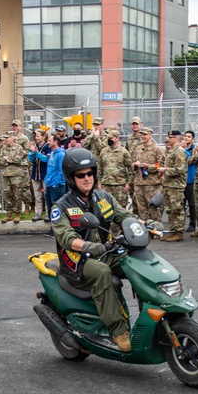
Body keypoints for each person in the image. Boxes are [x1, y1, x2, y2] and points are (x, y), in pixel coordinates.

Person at [49, 147, 135, 351]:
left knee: (135, 261)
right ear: (71, 178)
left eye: (90, 173)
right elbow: (66, 238)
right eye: (81, 175)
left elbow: (124, 216)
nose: (87, 178)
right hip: (78, 261)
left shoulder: (104, 198)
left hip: (104, 252)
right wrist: (89, 246)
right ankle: (118, 332)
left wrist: (143, 224)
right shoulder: (60, 207)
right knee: (102, 272)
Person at [130, 127, 164, 222]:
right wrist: (135, 165)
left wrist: (148, 166)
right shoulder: (138, 149)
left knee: (154, 209)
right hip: (139, 183)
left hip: (152, 184)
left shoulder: (157, 149)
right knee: (142, 209)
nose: (143, 136)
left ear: (150, 135)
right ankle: (146, 230)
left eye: (145, 134)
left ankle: (156, 228)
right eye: (142, 134)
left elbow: (160, 165)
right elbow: (131, 164)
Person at [158, 130, 187, 242]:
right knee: (170, 209)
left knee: (177, 209)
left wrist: (165, 170)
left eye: (171, 137)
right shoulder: (172, 151)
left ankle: (178, 232)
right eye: (168, 137)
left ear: (177, 138)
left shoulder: (179, 151)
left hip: (176, 185)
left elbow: (180, 169)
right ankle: (173, 230)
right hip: (168, 184)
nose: (169, 139)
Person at [98, 128, 132, 210]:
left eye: (111, 138)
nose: (109, 140)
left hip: (120, 186)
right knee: (105, 209)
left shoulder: (124, 152)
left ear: (117, 138)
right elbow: (100, 168)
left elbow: (130, 168)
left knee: (120, 209)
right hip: (106, 185)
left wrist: (129, 183)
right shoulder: (103, 151)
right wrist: (99, 183)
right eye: (108, 138)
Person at [0, 133, 26, 223]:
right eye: (6, 138)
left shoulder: (19, 148)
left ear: (13, 138)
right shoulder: (4, 148)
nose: (6, 140)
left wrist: (7, 159)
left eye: (8, 138)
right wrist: (8, 160)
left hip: (16, 174)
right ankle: (8, 214)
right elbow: (0, 159)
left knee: (17, 194)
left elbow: (18, 160)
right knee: (6, 194)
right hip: (6, 174)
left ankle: (17, 214)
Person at [28, 129, 50, 221]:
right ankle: (38, 213)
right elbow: (30, 159)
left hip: (45, 174)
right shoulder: (35, 146)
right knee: (37, 195)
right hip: (35, 174)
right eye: (35, 136)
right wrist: (32, 152)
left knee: (46, 194)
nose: (36, 138)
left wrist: (37, 153)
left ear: (43, 137)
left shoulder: (47, 146)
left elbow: (46, 160)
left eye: (38, 136)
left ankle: (48, 213)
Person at [182, 130, 197, 232]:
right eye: (185, 136)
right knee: (181, 203)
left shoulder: (194, 149)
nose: (186, 138)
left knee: (192, 203)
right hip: (181, 180)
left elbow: (190, 160)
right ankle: (180, 224)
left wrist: (183, 150)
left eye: (189, 136)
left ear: (193, 139)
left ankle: (192, 223)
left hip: (190, 179)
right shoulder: (180, 149)